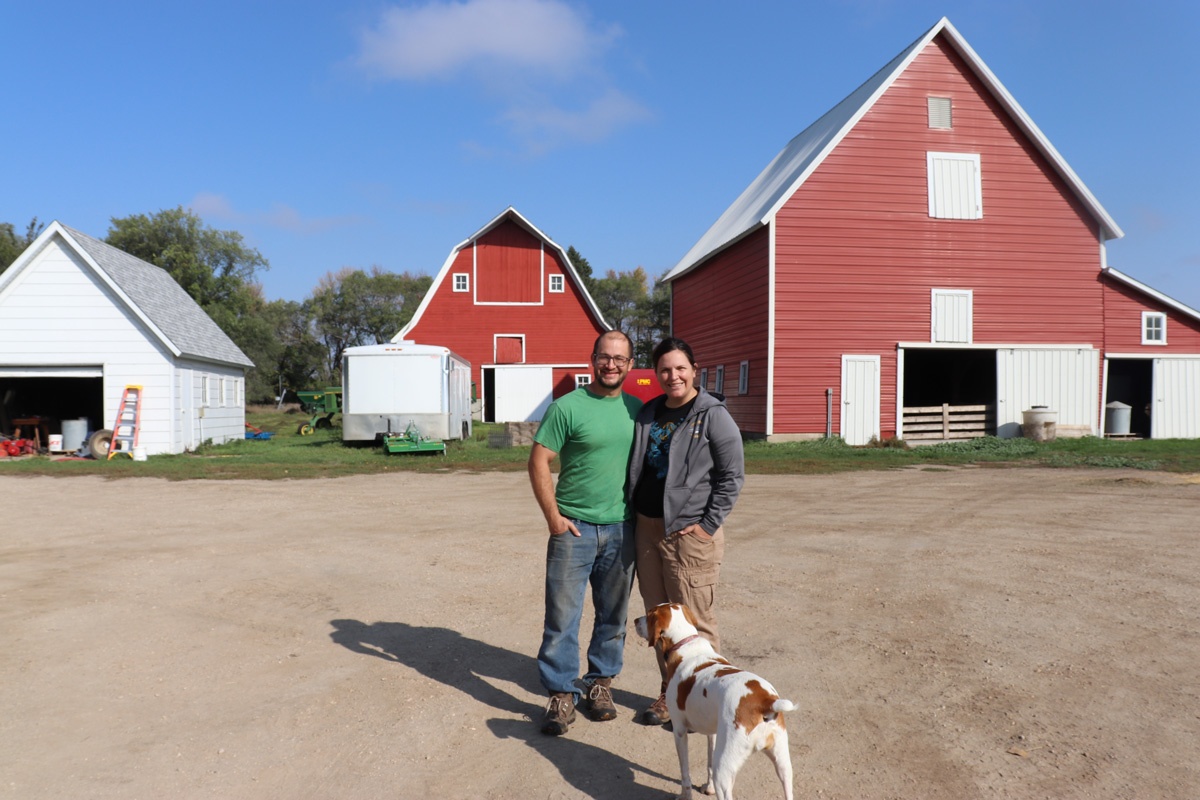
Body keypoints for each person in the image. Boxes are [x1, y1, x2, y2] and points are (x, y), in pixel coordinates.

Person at [528, 330, 643, 736]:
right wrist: (554, 518)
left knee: (614, 615)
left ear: (630, 364)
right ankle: (561, 692)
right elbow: (538, 461)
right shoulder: (567, 407)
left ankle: (599, 684)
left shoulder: (638, 410)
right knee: (562, 616)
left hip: (621, 529)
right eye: (604, 357)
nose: (611, 364)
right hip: (572, 530)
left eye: (620, 358)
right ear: (592, 359)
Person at [627, 337, 744, 725]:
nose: (673, 375)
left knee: (696, 622)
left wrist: (707, 526)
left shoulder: (713, 414)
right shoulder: (649, 412)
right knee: (660, 624)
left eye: (680, 368)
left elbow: (732, 477)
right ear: (656, 374)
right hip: (647, 529)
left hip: (689, 534)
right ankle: (670, 694)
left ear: (695, 370)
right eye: (664, 369)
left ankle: (708, 701)